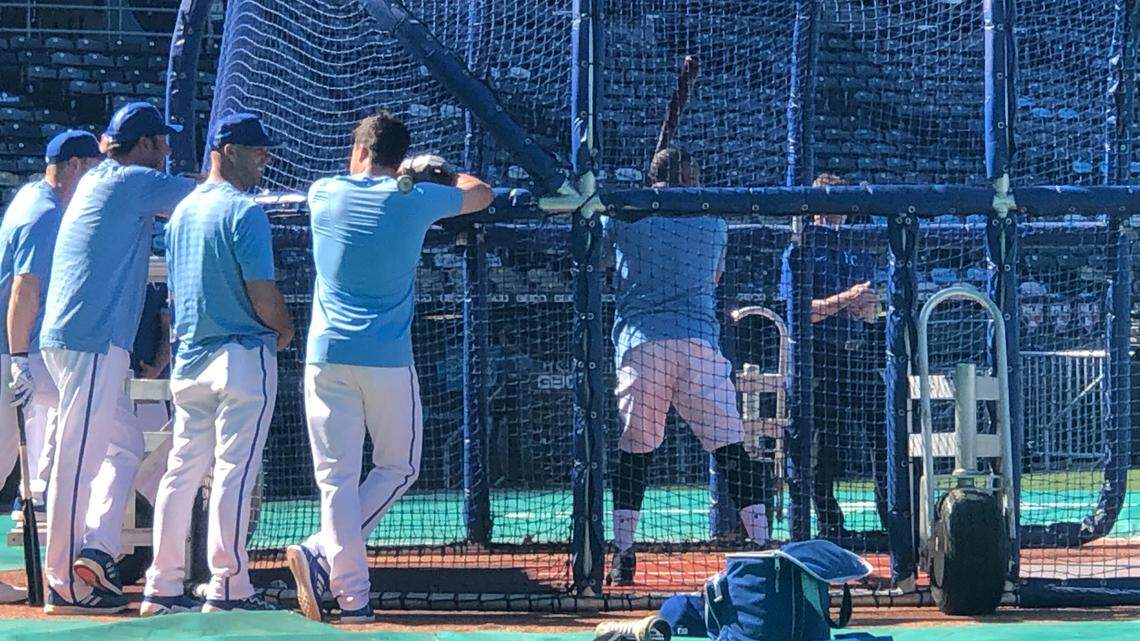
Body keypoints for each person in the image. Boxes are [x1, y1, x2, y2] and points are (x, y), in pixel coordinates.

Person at [286, 111, 493, 624]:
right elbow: (482, 192)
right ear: (400, 159)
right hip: (386, 361)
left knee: (335, 479)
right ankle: (319, 552)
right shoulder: (416, 199)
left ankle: (351, 597)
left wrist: (406, 174)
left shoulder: (323, 192)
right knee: (397, 468)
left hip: (325, 355)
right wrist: (434, 173)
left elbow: (357, 181)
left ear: (359, 152)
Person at [37, 102, 195, 614]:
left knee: (125, 445)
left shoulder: (103, 178)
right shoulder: (128, 181)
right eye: (161, 142)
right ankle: (63, 580)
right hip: (91, 340)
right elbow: (202, 197)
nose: (167, 151)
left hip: (81, 338)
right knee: (77, 461)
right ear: (144, 145)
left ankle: (96, 550)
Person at [140, 112, 293, 616]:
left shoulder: (182, 211)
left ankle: (161, 584)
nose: (264, 159)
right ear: (226, 150)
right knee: (233, 474)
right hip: (241, 356)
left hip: (190, 360)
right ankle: (228, 585)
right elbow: (263, 294)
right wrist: (286, 331)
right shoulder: (244, 212)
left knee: (181, 473)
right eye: (256, 151)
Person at [603, 148, 775, 586]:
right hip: (699, 344)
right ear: (689, 177)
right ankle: (761, 544)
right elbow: (713, 277)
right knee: (731, 448)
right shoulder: (713, 219)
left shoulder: (624, 213)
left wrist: (637, 211)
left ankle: (624, 550)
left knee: (635, 451)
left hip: (642, 344)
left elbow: (603, 261)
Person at [0, 129, 102, 605]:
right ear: (77, 166)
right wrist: (19, 360)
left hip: (15, 350)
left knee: (87, 409)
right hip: (12, 353)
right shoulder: (44, 214)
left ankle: (44, 491)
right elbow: (26, 288)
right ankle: (46, 493)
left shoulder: (29, 196)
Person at [779, 172, 886, 539]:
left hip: (855, 352)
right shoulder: (801, 246)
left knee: (882, 429)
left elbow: (870, 308)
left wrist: (865, 307)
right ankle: (829, 523)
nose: (835, 211)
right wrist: (846, 301)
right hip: (818, 356)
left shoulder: (856, 245)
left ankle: (891, 515)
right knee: (824, 442)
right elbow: (800, 312)